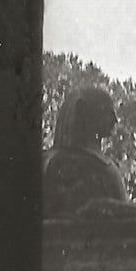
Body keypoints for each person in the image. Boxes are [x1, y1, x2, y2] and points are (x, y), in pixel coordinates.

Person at [42, 87, 129, 218]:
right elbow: (125, 217)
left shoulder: (45, 161)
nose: (115, 120)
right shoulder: (103, 170)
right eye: (107, 112)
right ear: (88, 115)